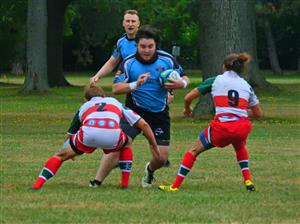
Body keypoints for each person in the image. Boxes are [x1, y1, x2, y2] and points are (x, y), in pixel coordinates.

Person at [91, 25, 190, 188]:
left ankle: (149, 171)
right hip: (133, 112)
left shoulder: (167, 60)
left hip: (159, 114)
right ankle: (96, 181)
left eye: (150, 46)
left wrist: (182, 83)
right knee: (118, 144)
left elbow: (184, 76)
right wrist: (135, 84)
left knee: (161, 158)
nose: (146, 50)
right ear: (136, 45)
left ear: (156, 45)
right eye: (142, 46)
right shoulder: (128, 63)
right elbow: (116, 88)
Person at [159, 52, 263, 192]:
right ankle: (248, 180)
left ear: (224, 67)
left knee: (193, 151)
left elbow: (188, 97)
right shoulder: (246, 85)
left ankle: (175, 186)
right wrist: (239, 112)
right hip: (241, 128)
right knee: (239, 146)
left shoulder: (216, 80)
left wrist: (188, 109)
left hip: (222, 128)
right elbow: (258, 114)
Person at [31, 84, 161, 190]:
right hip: (112, 137)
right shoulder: (114, 102)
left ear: (85, 99)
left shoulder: (83, 107)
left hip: (88, 136)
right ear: (104, 96)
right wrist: (154, 145)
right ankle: (124, 184)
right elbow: (143, 124)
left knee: (59, 156)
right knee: (127, 143)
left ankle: (37, 185)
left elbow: (70, 134)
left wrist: (67, 150)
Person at [89, 9, 140, 83]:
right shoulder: (121, 42)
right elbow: (111, 63)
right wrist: (97, 76)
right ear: (123, 23)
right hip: (130, 83)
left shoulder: (146, 40)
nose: (130, 24)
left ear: (138, 23)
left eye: (133, 21)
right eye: (127, 21)